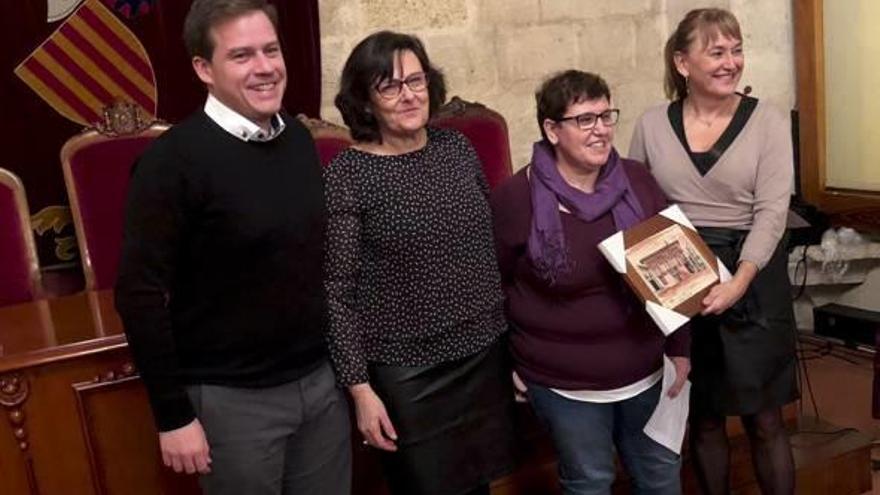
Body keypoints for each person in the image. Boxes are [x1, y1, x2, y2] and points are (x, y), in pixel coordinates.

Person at [114, 1, 351, 493]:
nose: (265, 67)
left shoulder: (299, 142)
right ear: (204, 68)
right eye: (241, 55)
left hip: (318, 386)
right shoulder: (170, 163)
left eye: (271, 49)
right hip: (233, 403)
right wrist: (172, 415)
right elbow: (138, 294)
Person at [324, 30, 516, 495]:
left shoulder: (457, 151)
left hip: (483, 353)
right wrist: (360, 389)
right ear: (364, 100)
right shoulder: (347, 176)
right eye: (390, 86)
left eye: (417, 80)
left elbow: (490, 253)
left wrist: (516, 348)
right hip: (408, 373)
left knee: (479, 484)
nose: (409, 94)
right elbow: (336, 291)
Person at [491, 69, 690, 495]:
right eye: (585, 119)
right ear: (551, 129)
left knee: (660, 478)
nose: (600, 130)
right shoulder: (516, 197)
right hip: (563, 383)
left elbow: (680, 278)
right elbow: (494, 286)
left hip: (646, 371)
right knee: (590, 483)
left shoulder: (638, 181)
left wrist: (681, 349)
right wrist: (505, 364)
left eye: (606, 116)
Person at [629, 8, 798, 495]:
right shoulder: (651, 123)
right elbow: (637, 205)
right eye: (717, 52)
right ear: (683, 63)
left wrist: (738, 282)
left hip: (752, 276)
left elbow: (771, 212)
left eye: (737, 50)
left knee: (764, 420)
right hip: (680, 273)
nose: (731, 62)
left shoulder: (766, 119)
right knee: (701, 418)